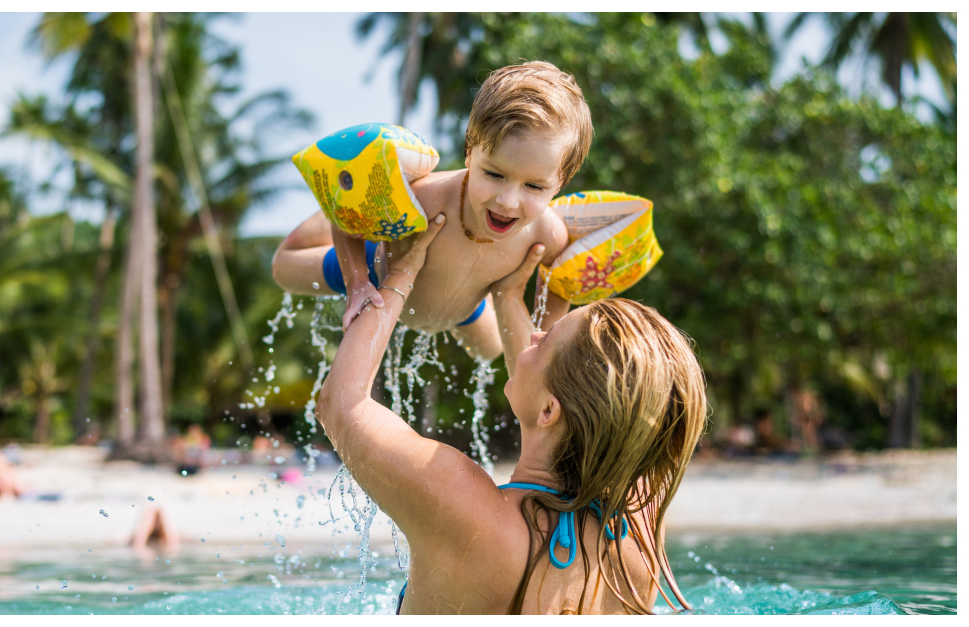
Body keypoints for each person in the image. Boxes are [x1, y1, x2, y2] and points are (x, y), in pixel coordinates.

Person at [315, 215, 707, 614]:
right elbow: (583, 400)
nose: (535, 335)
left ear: (550, 410)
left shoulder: (463, 505)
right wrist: (508, 296)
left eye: (546, 339)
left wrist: (403, 271)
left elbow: (341, 404)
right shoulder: (639, 530)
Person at [273, 61, 592, 358]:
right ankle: (333, 210)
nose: (508, 201)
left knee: (490, 351)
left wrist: (546, 337)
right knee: (284, 270)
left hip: (464, 309)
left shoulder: (549, 235)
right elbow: (349, 221)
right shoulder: (426, 199)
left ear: (560, 181)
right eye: (494, 175)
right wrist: (357, 281)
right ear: (470, 151)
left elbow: (557, 284)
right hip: (377, 267)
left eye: (534, 187)